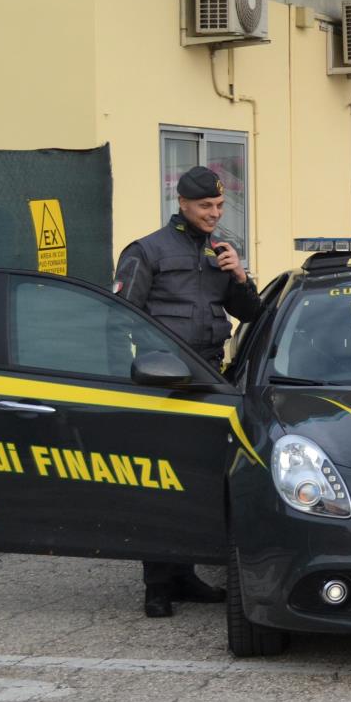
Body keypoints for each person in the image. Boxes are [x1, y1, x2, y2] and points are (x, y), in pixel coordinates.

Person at [112, 165, 262, 617]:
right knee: (159, 482)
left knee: (198, 480)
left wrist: (239, 276)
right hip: (160, 382)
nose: (214, 214)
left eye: (218, 206)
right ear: (181, 203)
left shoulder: (221, 250)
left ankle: (185, 575)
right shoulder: (147, 251)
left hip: (209, 379)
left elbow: (250, 312)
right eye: (205, 207)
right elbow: (120, 315)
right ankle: (157, 584)